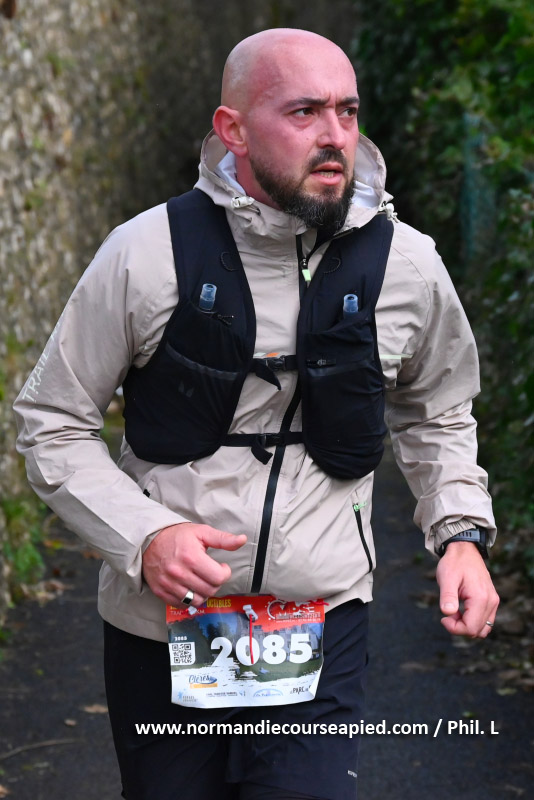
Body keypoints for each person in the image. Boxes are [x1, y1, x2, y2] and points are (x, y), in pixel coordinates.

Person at [14, 28, 499, 800]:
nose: (335, 134)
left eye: (347, 110)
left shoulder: (407, 265)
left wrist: (461, 535)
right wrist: (145, 538)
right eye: (304, 111)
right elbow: (54, 420)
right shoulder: (145, 253)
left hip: (323, 620)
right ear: (233, 129)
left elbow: (437, 409)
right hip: (162, 626)